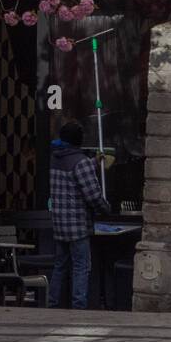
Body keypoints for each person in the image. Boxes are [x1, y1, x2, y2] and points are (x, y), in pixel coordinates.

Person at [48, 119, 110, 310]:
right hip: (77, 226)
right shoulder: (80, 162)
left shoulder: (56, 158)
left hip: (59, 224)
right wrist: (105, 208)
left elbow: (73, 172)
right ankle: (78, 306)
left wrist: (94, 161)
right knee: (81, 267)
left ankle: (53, 302)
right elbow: (92, 195)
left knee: (60, 266)